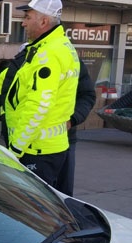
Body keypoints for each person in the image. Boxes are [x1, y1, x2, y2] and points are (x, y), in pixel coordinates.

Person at [3, 0, 80, 188]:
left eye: (28, 17)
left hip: (37, 150)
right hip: (44, 148)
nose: (23, 23)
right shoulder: (56, 46)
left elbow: (39, 105)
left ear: (43, 21)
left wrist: (15, 149)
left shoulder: (49, 54)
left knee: (34, 212)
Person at [56, 60, 96, 196]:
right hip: (25, 142)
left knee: (63, 195)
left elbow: (87, 95)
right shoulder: (25, 58)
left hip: (65, 139)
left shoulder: (72, 61)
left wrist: (72, 119)